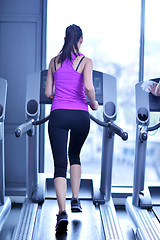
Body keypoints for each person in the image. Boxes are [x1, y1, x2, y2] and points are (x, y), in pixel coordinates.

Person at [45, 24, 98, 233]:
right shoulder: (87, 61)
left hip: (58, 115)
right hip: (80, 116)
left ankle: (62, 212)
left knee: (59, 166)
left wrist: (58, 94)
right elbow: (88, 88)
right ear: (81, 40)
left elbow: (49, 91)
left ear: (65, 38)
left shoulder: (53, 62)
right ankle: (76, 199)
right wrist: (93, 104)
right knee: (74, 155)